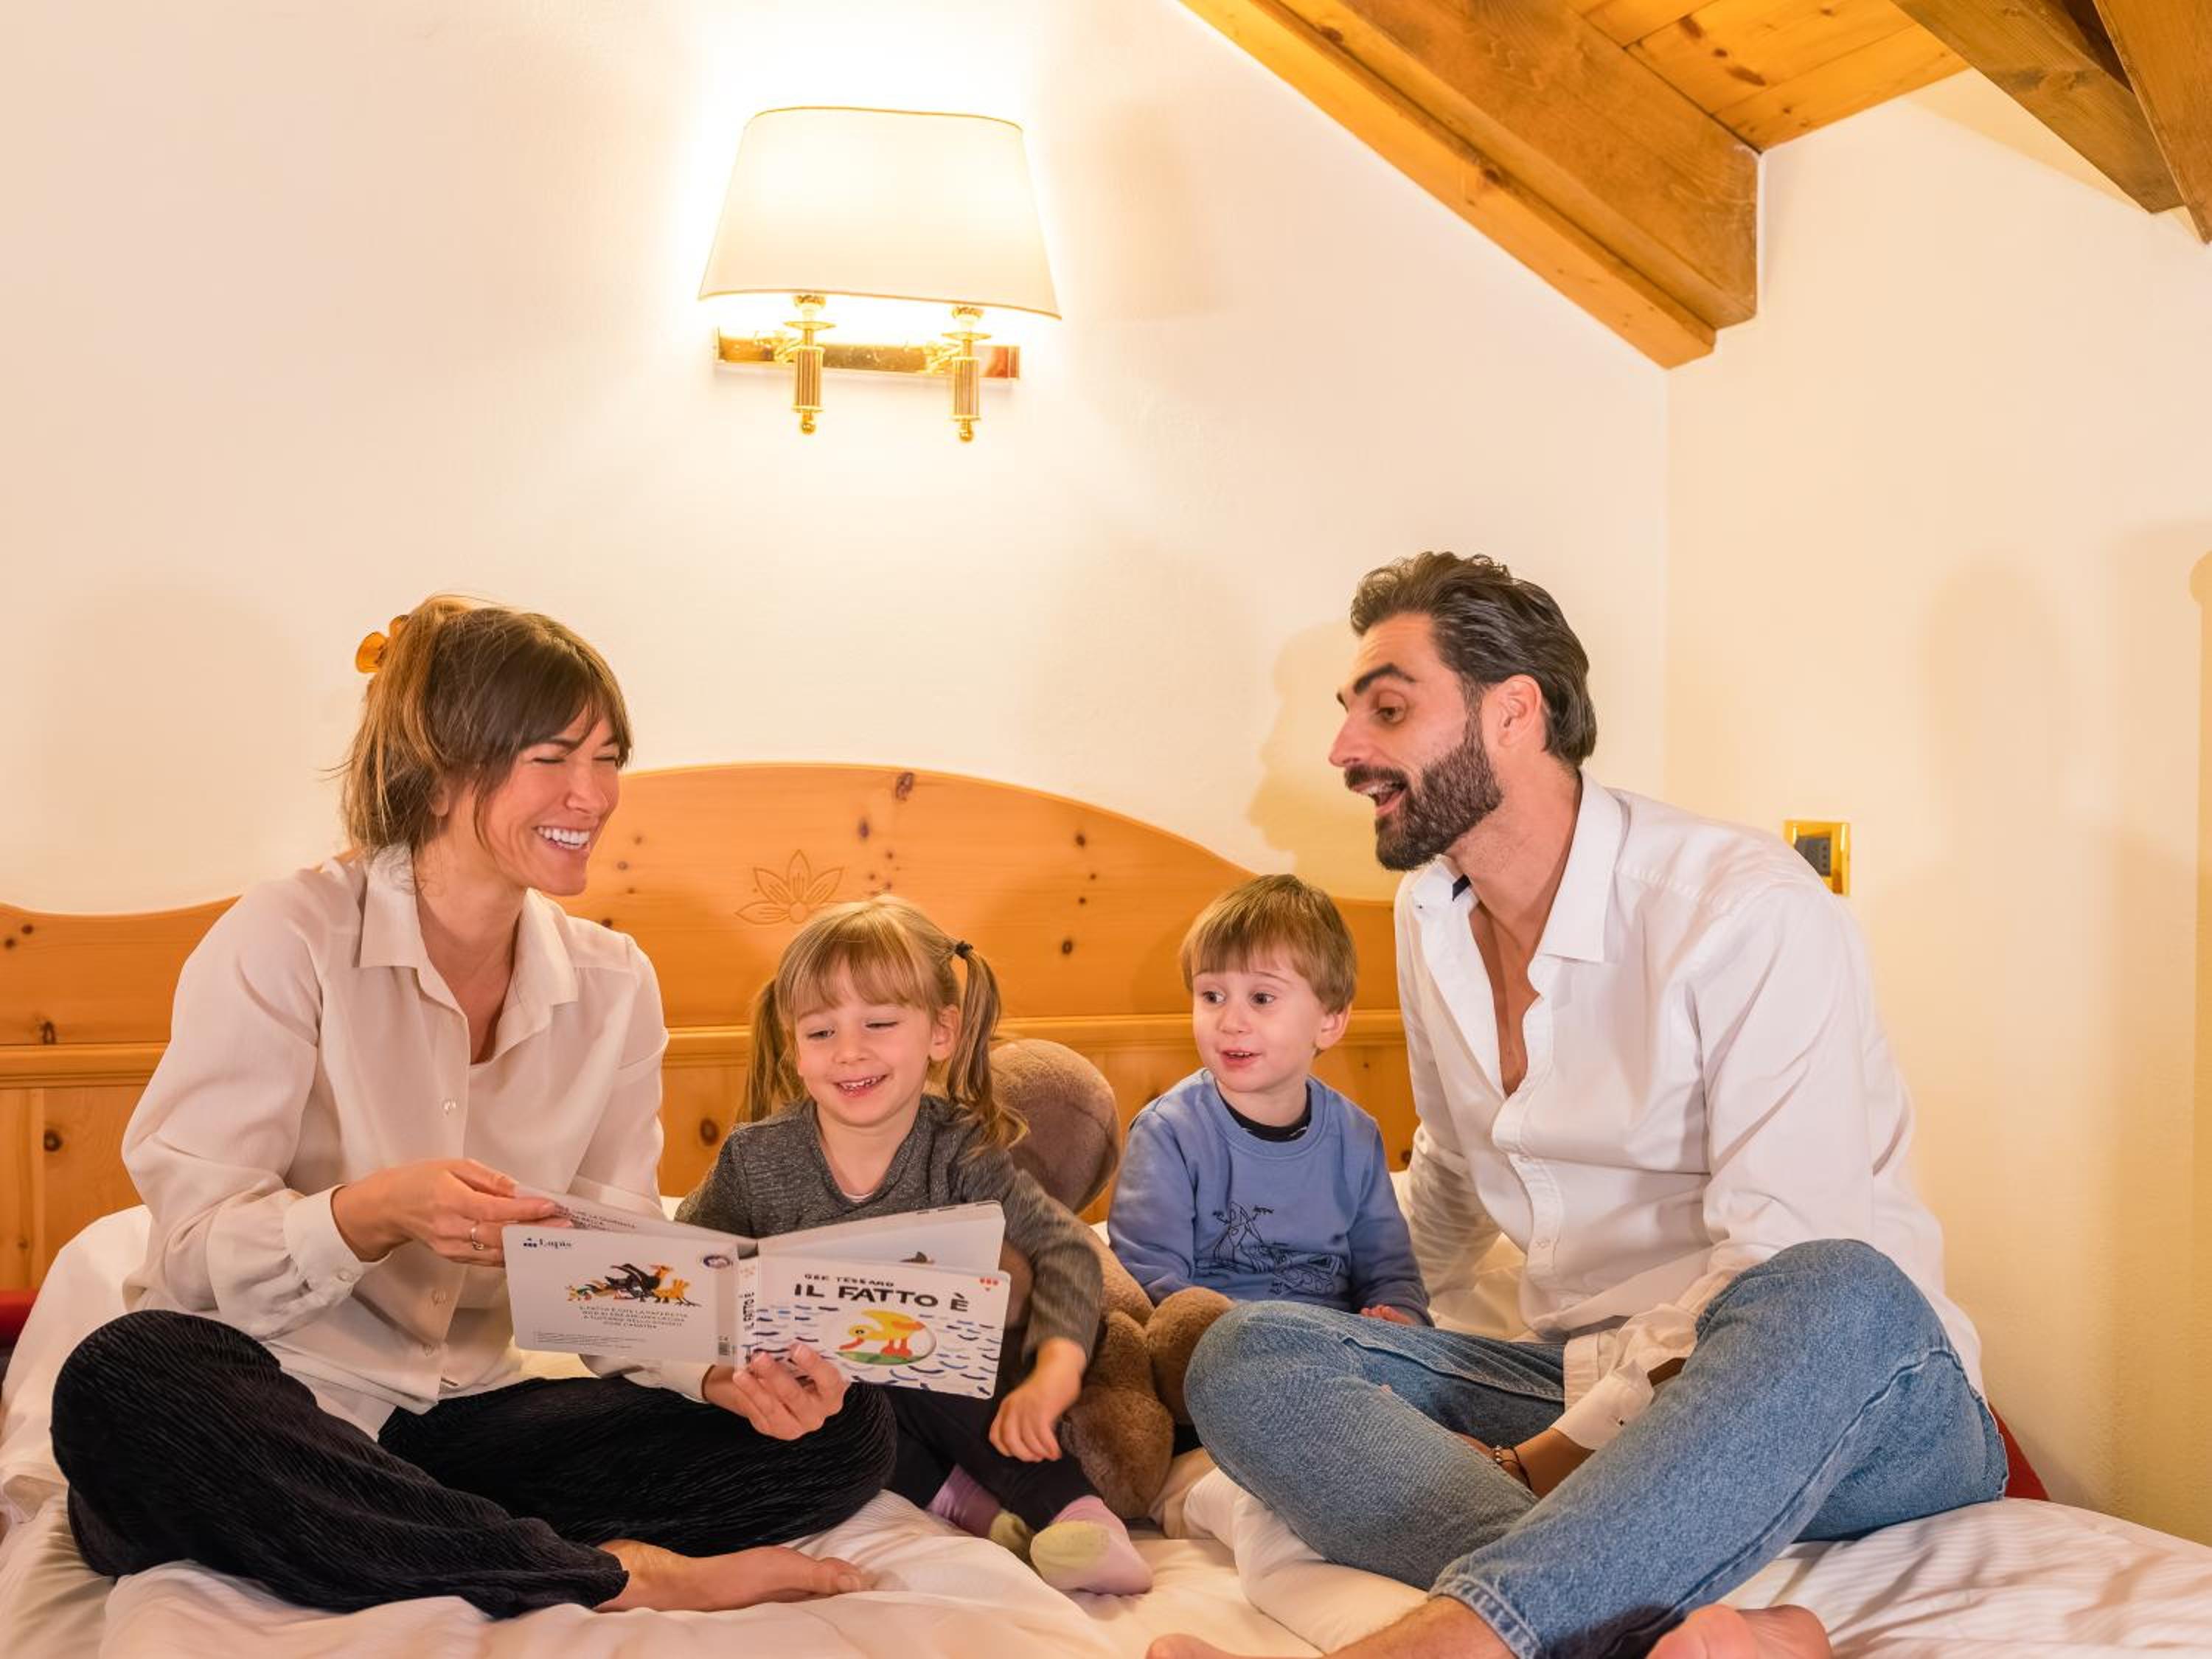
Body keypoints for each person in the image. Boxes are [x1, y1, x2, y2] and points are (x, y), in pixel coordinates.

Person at [1151, 553, 2004, 1659]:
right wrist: (1372, 1308)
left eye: (1388, 708)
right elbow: (1453, 1168)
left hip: (1841, 1400)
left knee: (1834, 1285)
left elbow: (1782, 1254)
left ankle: (1448, 1643)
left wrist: (1548, 1458)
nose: (1343, 748)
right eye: (1349, 712)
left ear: (1514, 712)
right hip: (1582, 1374)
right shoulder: (1428, 913)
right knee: (1250, 1355)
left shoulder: (1745, 912)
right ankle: (1676, 1627)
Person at [49, 597, 894, 1618]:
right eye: (553, 758)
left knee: (848, 1432)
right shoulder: (287, 936)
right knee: (125, 1374)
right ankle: (608, 1574)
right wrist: (371, 1213)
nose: (594, 794)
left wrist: (717, 1375)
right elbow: (193, 1256)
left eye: (608, 758)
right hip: (268, 1403)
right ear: (443, 770)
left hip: (462, 1427)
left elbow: (611, 1270)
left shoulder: (614, 982)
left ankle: (405, 1537)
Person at [675, 894, 1152, 1597]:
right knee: (823, 1386)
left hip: (948, 1377)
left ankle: (1079, 1513)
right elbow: (683, 1264)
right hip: (833, 1398)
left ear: (941, 1031)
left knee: (913, 1344)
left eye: (879, 1023)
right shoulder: (754, 1159)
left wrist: (1057, 1369)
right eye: (821, 1031)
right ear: (795, 1048)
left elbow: (1066, 1251)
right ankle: (969, 1508)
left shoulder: (959, 1149)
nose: (850, 1051)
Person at [1108, 874, 1427, 1325]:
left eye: (1261, 997)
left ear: (1329, 1022)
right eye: (1212, 996)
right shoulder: (1169, 1133)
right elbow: (1151, 1281)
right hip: (1218, 1339)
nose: (1231, 1021)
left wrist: (1401, 1319)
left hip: (1336, 1343)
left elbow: (1390, 1273)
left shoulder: (1355, 1136)